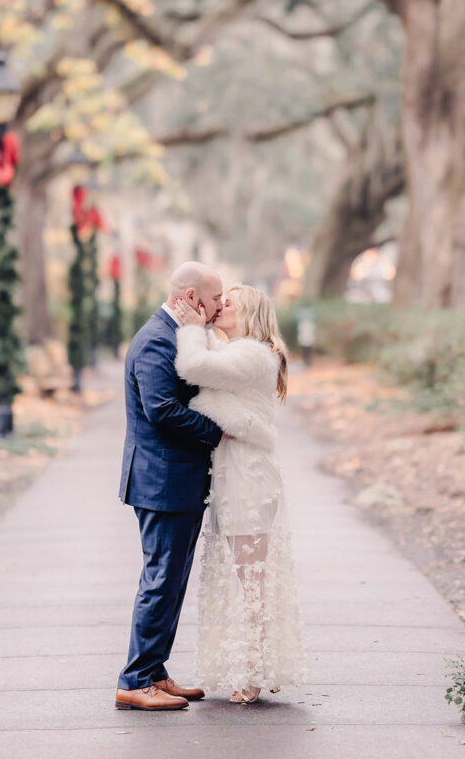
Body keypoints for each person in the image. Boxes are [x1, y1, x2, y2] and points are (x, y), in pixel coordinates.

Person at [172, 284, 305, 704]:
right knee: (243, 578)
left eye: (229, 303)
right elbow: (213, 386)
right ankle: (256, 665)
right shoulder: (241, 351)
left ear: (250, 314)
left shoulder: (251, 354)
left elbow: (193, 368)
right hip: (237, 476)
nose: (219, 307)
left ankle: (251, 673)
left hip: (249, 482)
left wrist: (192, 328)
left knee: (250, 581)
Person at [115, 261, 224, 712]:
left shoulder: (172, 335)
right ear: (193, 298)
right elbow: (160, 409)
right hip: (162, 480)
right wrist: (218, 429)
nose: (220, 307)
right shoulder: (155, 340)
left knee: (173, 579)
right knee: (161, 579)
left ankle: (155, 671)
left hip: (176, 479)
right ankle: (135, 679)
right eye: (216, 299)